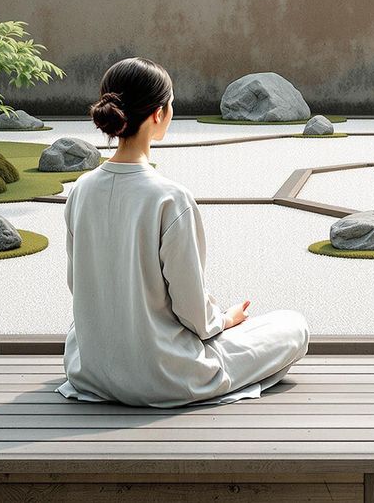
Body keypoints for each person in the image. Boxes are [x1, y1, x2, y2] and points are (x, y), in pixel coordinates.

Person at [57, 56, 309, 408]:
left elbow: (78, 286)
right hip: (163, 375)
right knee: (293, 326)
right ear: (159, 114)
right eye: (171, 104)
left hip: (90, 371)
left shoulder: (80, 190)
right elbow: (194, 313)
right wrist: (225, 320)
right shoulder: (170, 198)